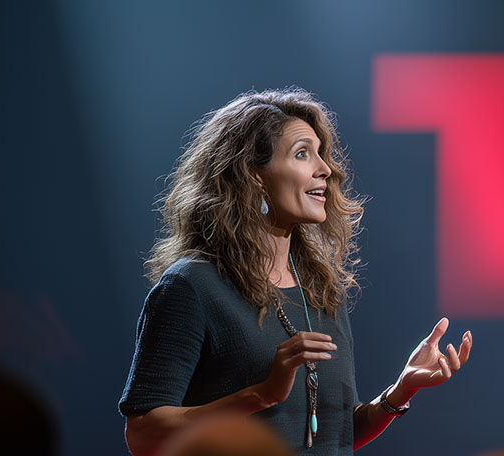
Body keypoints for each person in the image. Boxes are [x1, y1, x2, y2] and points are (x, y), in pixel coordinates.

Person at [118, 87, 473, 456]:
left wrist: (399, 392)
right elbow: (143, 435)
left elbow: (332, 436)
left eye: (322, 154)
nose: (326, 169)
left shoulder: (320, 290)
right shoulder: (192, 286)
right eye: (303, 154)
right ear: (253, 175)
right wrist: (260, 395)